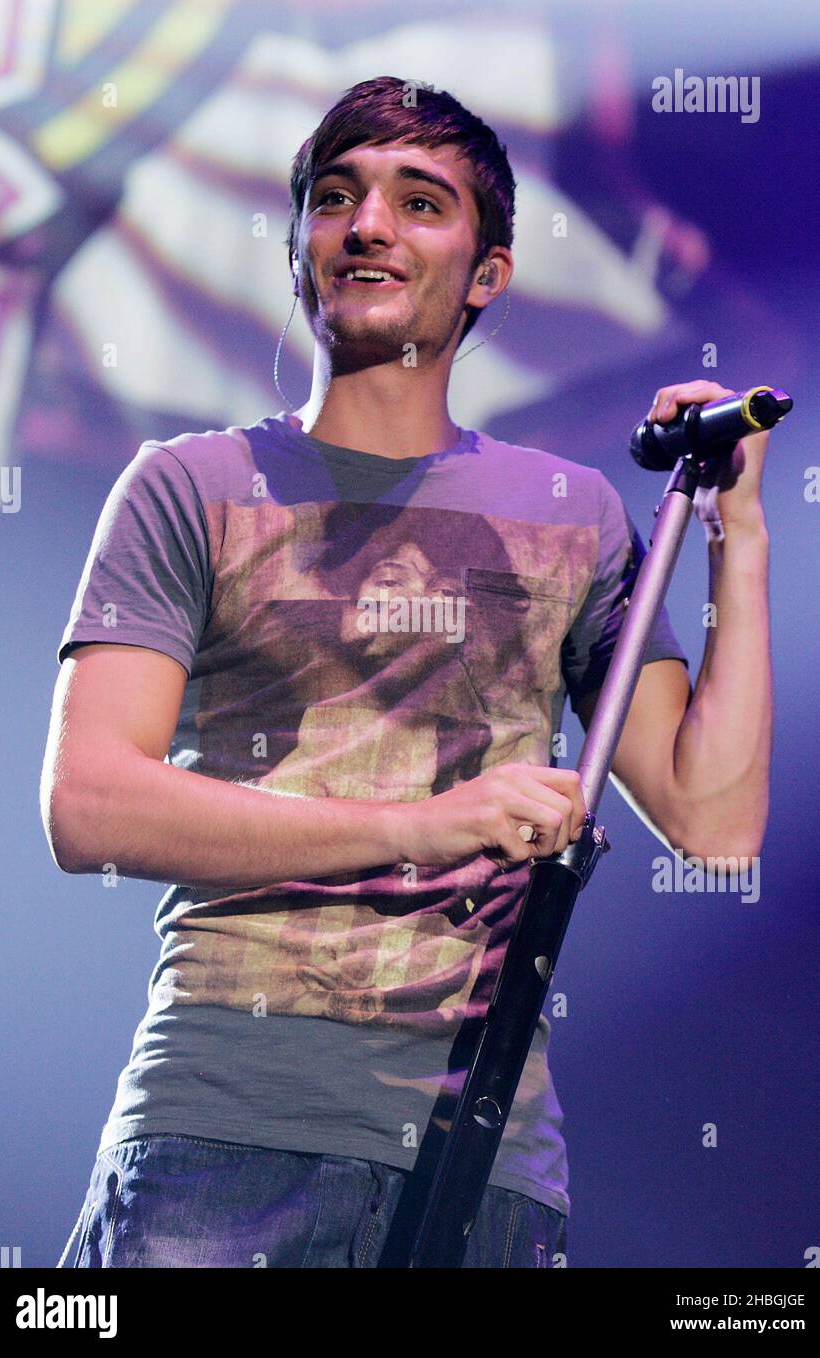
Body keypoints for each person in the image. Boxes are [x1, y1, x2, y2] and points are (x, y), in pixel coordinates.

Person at [41, 76, 772, 1269]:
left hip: (482, 1159)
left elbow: (717, 819)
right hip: (223, 1136)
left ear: (488, 273)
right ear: (298, 253)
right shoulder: (190, 484)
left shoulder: (570, 514)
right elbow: (90, 804)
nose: (366, 223)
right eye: (336, 197)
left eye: (418, 200)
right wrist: (429, 823)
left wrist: (737, 535)